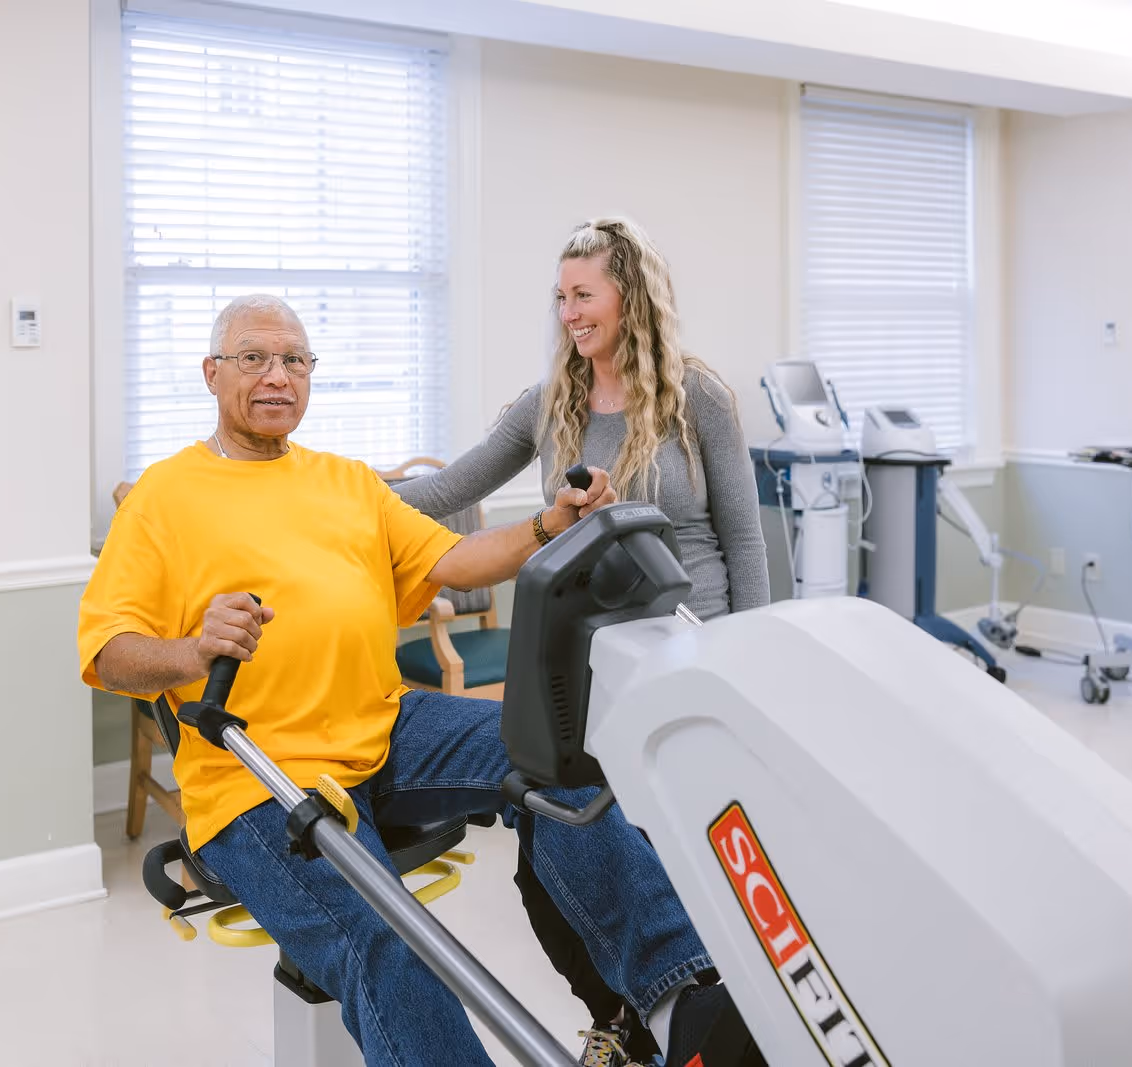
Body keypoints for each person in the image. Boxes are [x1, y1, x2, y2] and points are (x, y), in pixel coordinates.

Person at [78, 294, 762, 1067]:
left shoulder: (346, 482)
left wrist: (553, 523)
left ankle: (678, 1006)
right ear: (211, 373)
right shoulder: (163, 498)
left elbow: (454, 561)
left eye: (295, 361)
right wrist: (193, 650)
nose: (278, 377)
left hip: (384, 724)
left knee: (562, 758)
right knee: (392, 940)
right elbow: (108, 652)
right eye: (254, 359)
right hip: (256, 775)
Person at [392, 216, 770, 1064]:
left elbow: (744, 540)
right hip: (589, 665)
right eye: (560, 297)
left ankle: (708, 1022)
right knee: (557, 855)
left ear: (629, 296)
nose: (568, 312)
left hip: (691, 652)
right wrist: (325, 489)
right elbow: (449, 487)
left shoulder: (696, 397)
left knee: (683, 858)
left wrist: (749, 666)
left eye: (583, 294)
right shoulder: (547, 404)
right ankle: (628, 1021)